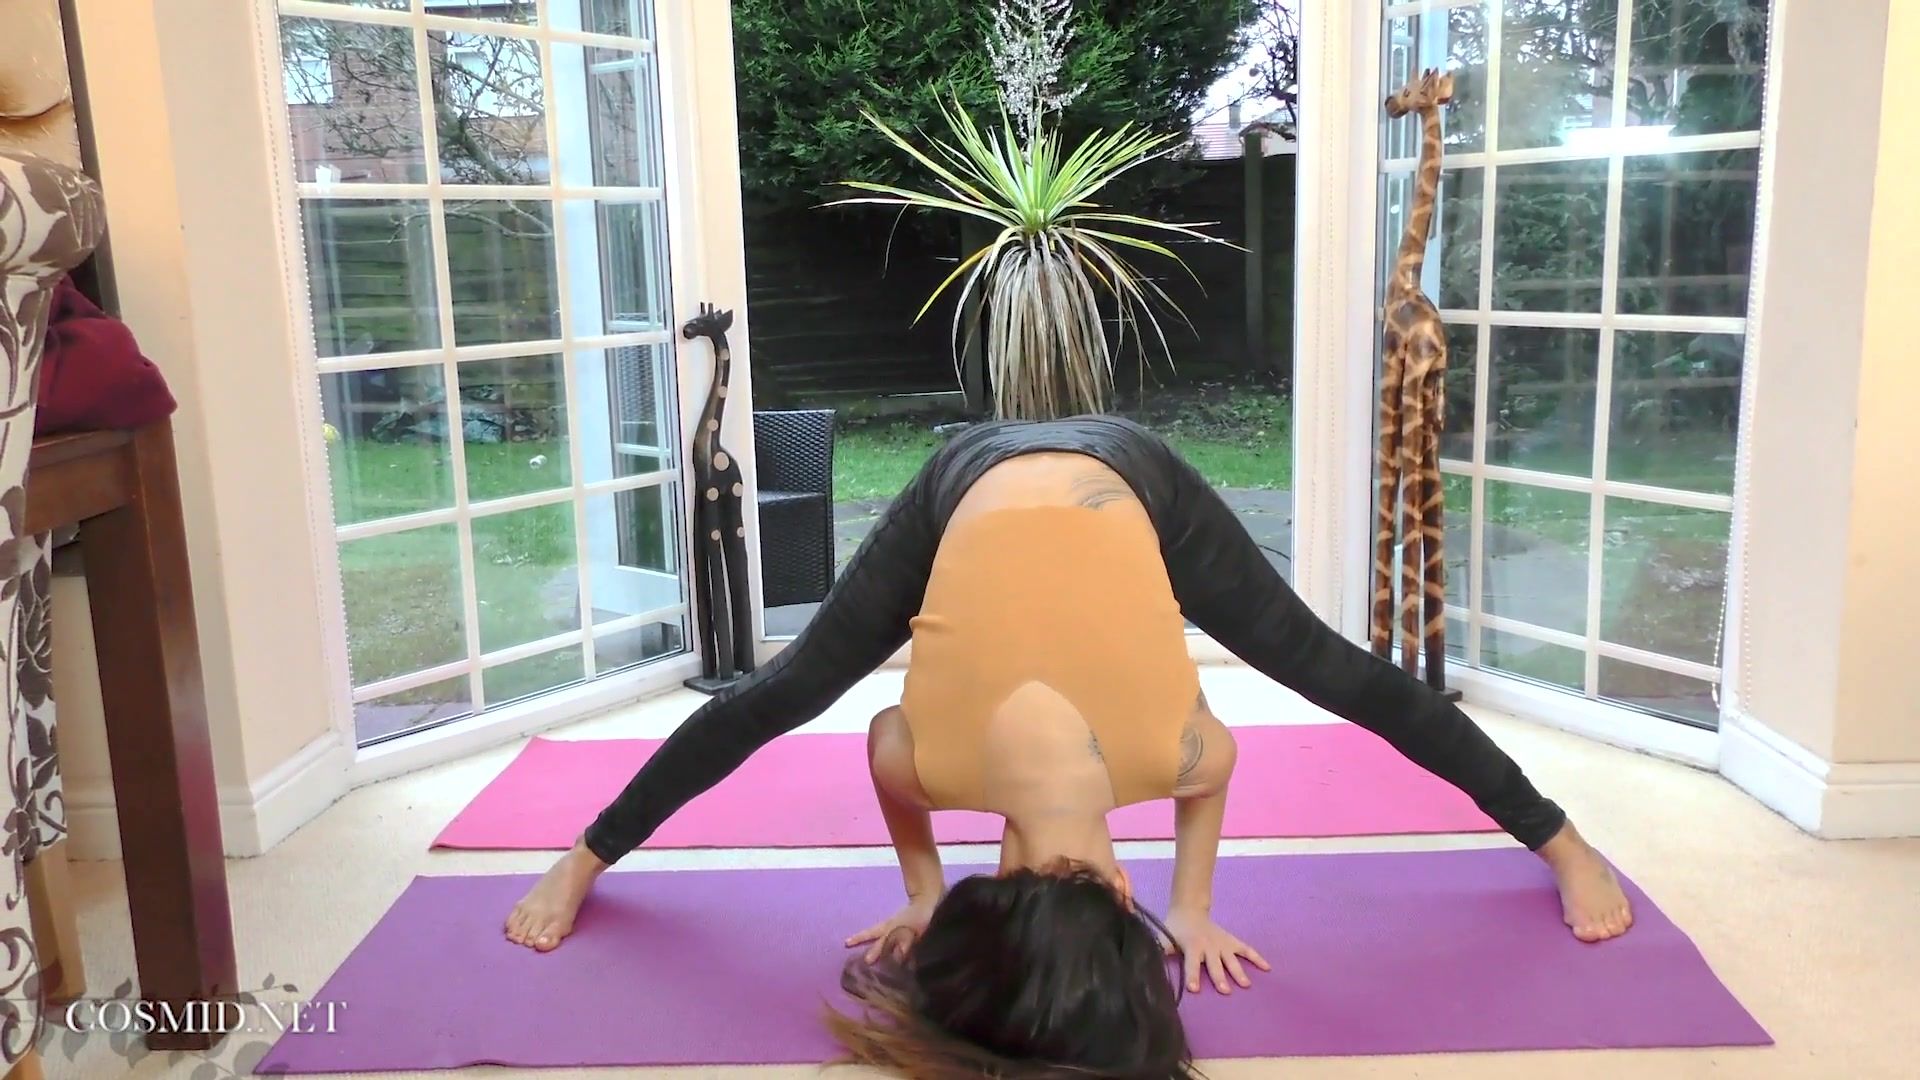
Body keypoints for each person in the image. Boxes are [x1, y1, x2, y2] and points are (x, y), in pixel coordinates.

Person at [503, 415, 1632, 1070]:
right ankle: (1562, 842)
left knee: (782, 691)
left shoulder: (1167, 758)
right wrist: (928, 886)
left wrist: (1185, 906)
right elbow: (888, 756)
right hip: (1034, 476)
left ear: (1118, 889)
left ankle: (583, 855)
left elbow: (1211, 772)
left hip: (1059, 477)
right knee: (1340, 674)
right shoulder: (941, 769)